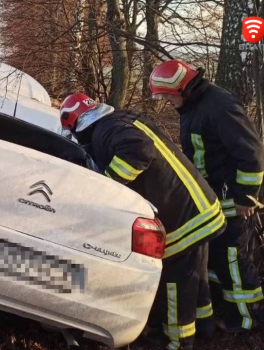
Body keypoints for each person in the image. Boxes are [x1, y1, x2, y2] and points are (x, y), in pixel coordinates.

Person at [59, 93, 227, 350]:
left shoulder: (106, 129)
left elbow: (139, 150)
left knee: (176, 285)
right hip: (198, 210)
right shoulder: (119, 119)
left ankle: (177, 342)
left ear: (78, 124)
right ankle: (203, 328)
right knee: (194, 278)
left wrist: (109, 187)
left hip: (183, 219)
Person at [149, 60, 264, 333]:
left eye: (167, 96)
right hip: (214, 198)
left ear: (182, 89)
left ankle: (249, 320)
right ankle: (228, 311)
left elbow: (252, 155)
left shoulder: (219, 107)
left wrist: (245, 198)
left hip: (233, 201)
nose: (166, 102)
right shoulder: (195, 105)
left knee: (232, 260)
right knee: (218, 259)